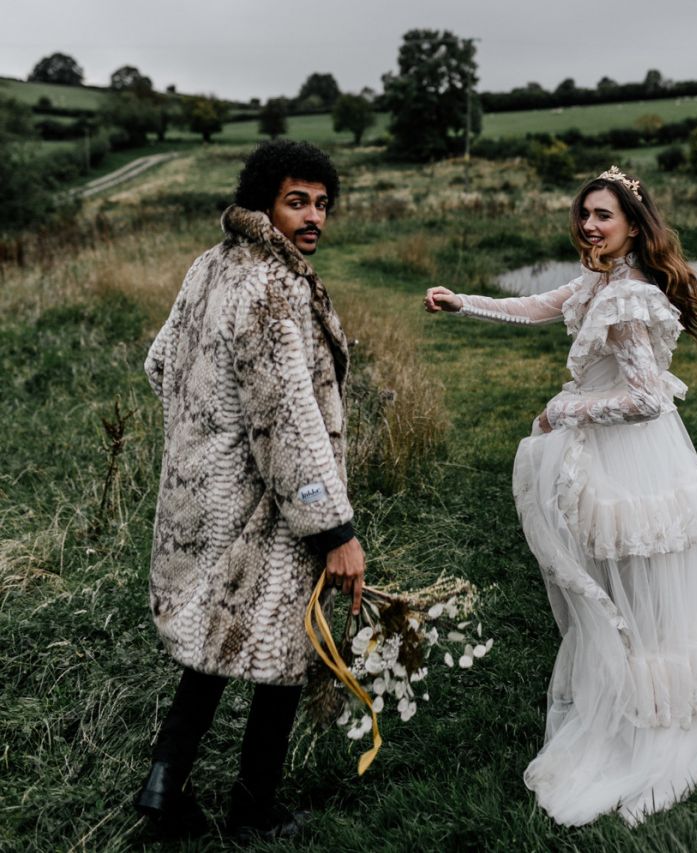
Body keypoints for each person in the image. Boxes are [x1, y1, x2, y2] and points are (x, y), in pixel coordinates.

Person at [424, 166, 697, 826]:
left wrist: (563, 411)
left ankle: (655, 711)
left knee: (638, 581)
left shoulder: (626, 299)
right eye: (584, 213)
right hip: (621, 450)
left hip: (630, 458)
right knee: (625, 582)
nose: (589, 225)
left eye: (603, 216)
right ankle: (638, 691)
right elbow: (537, 306)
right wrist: (462, 303)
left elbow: (645, 399)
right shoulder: (600, 282)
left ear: (633, 226)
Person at [135, 140, 365, 841]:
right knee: (287, 646)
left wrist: (206, 438)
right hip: (270, 503)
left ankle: (163, 787)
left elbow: (160, 364)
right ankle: (253, 810)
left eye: (322, 203)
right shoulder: (272, 286)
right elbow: (286, 423)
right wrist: (335, 532)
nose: (314, 217)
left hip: (207, 493)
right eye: (297, 202)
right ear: (265, 200)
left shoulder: (211, 264)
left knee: (219, 631)